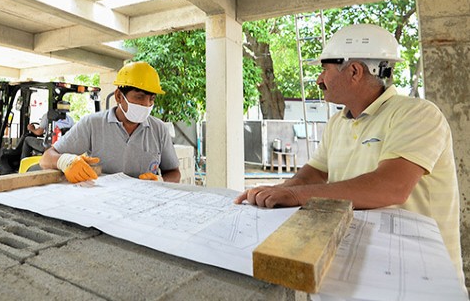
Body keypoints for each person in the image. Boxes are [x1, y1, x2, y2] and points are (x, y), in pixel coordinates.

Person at [234, 24, 464, 282]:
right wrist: (275, 194)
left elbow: (392, 187)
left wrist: (294, 194)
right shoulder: (337, 123)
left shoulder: (416, 114)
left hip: (423, 279)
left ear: (354, 70)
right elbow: (311, 176)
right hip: (364, 270)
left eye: (325, 69)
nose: (320, 79)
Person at [39, 61, 181, 184]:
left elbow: (174, 172)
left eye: (152, 99)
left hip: (143, 204)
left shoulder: (159, 130)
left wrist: (161, 182)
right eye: (139, 97)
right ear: (119, 96)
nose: (146, 104)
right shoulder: (92, 124)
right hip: (103, 204)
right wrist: (65, 161)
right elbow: (46, 158)